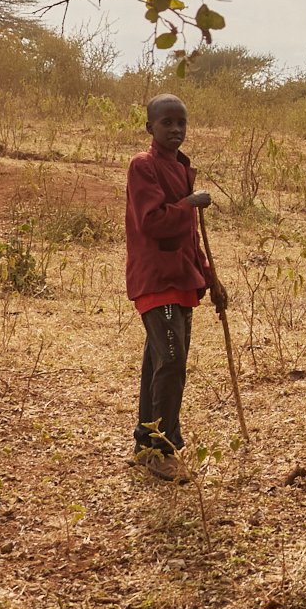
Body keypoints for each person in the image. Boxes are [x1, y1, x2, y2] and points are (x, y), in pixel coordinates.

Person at [124, 94, 228, 481]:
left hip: (182, 278)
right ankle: (162, 451)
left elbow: (190, 239)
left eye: (181, 123)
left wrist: (211, 279)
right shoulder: (143, 166)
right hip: (157, 279)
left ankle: (146, 446)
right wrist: (188, 204)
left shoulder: (182, 168)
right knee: (171, 361)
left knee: (160, 361)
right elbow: (152, 221)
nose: (175, 130)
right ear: (149, 127)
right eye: (166, 123)